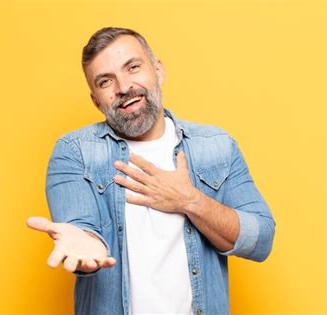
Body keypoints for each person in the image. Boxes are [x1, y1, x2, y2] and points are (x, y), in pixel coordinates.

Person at [27, 27, 275, 315]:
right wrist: (87, 244)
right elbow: (82, 229)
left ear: (158, 70)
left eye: (132, 67)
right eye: (106, 81)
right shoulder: (75, 152)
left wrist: (189, 201)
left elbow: (261, 239)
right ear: (96, 100)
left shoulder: (216, 146)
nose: (123, 87)